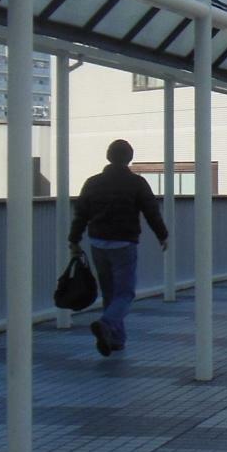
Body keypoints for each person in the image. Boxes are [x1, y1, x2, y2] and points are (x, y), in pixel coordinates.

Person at [68, 139, 169, 357]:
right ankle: (107, 324)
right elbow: (152, 212)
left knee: (110, 292)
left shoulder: (92, 183)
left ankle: (116, 339)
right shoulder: (137, 183)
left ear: (108, 156)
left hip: (97, 243)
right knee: (125, 293)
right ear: (129, 158)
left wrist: (74, 240)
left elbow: (81, 214)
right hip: (124, 243)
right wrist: (163, 235)